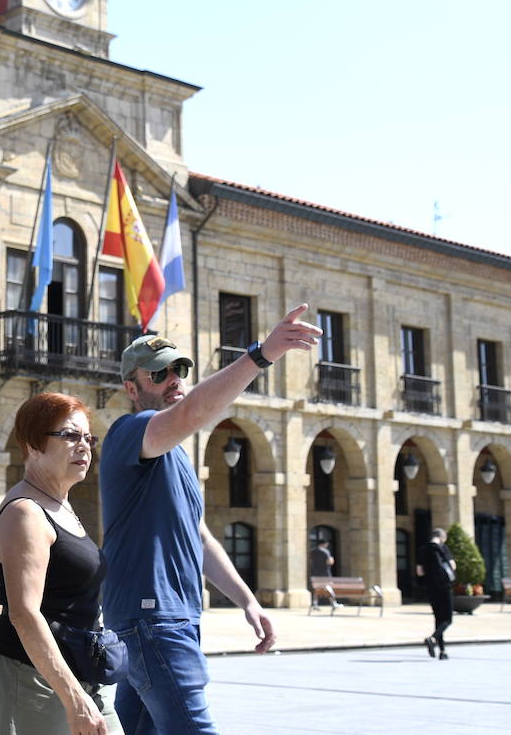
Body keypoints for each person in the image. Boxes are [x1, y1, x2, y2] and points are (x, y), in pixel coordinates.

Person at [100, 305, 321, 733]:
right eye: (159, 374)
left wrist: (248, 601)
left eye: (179, 370)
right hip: (154, 619)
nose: (174, 380)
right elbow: (192, 414)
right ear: (131, 387)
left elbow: (198, 540)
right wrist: (261, 355)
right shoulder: (131, 432)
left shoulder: (174, 456)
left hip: (169, 618)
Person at [0, 393, 121, 735]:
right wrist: (73, 696)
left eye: (88, 438)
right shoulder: (26, 513)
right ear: (32, 445)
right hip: (34, 680)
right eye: (70, 435)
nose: (84, 447)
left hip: (81, 671)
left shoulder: (61, 505)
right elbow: (24, 614)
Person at [415, 527, 455, 660]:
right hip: (445, 587)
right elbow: (452, 566)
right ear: (442, 538)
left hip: (431, 587)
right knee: (447, 619)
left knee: (438, 618)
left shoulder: (422, 550)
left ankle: (442, 651)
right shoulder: (443, 548)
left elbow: (420, 572)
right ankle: (432, 639)